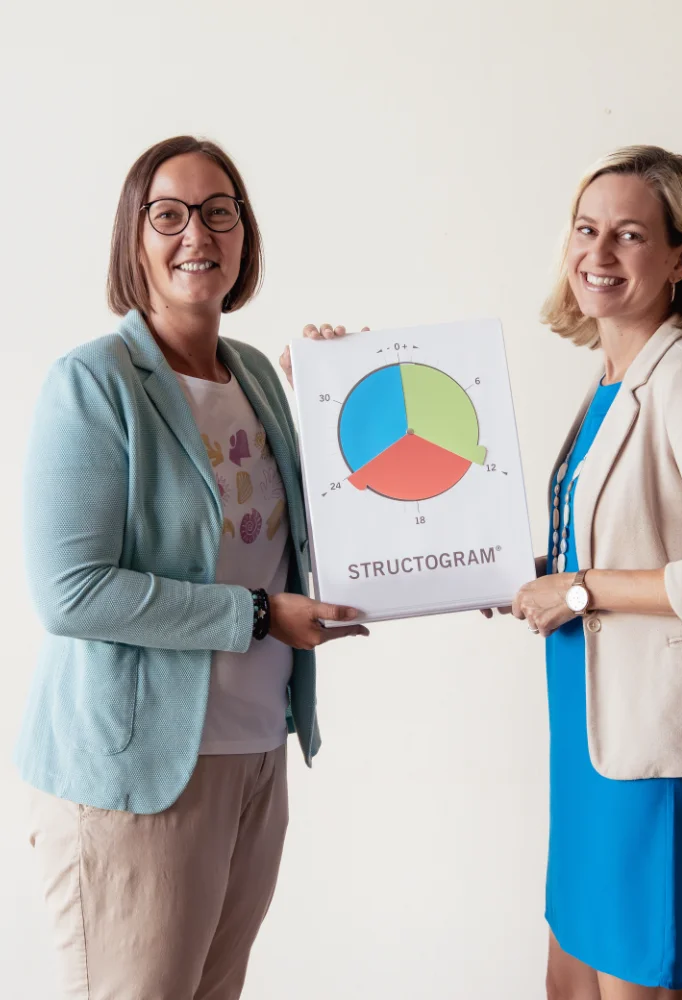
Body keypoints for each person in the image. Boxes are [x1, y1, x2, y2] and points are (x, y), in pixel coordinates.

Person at [16, 135, 369, 1000]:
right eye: (168, 214)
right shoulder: (94, 383)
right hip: (138, 776)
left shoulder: (256, 377)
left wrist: (341, 395)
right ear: (132, 238)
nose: (196, 234)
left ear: (245, 233)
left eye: (219, 212)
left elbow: (303, 536)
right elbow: (71, 593)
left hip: (255, 752)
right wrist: (256, 616)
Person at [496, 145, 682, 998]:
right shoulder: (609, 383)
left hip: (659, 750)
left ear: (679, 259)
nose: (598, 252)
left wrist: (580, 590)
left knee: (636, 982)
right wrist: (523, 573)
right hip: (590, 731)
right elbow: (602, 541)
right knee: (568, 982)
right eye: (585, 229)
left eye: (628, 234)